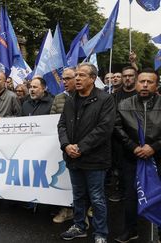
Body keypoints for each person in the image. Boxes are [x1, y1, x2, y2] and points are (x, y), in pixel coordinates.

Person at [58, 63, 115, 243]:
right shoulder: (69, 100)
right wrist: (67, 145)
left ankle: (101, 233)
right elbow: (62, 126)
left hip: (95, 160)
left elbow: (104, 129)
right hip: (73, 158)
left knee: (97, 198)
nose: (77, 78)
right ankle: (79, 226)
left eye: (82, 75)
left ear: (92, 78)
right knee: (78, 195)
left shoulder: (105, 99)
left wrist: (80, 148)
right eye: (76, 75)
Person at [114, 68, 161, 243]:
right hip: (132, 159)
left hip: (158, 158)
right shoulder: (124, 105)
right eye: (142, 81)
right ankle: (130, 229)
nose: (145, 85)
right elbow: (117, 129)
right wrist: (134, 147)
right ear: (136, 84)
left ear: (156, 85)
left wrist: (154, 147)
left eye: (150, 82)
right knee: (131, 196)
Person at [50, 68, 76, 224]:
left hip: (80, 146)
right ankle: (65, 210)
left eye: (67, 78)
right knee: (63, 179)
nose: (64, 82)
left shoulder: (84, 97)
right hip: (62, 144)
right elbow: (51, 119)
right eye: (63, 79)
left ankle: (83, 210)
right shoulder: (59, 98)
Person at [109, 66, 138, 203]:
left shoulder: (141, 94)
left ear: (135, 77)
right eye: (125, 75)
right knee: (121, 168)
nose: (127, 78)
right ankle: (122, 191)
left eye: (130, 76)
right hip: (119, 139)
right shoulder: (114, 96)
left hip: (139, 140)